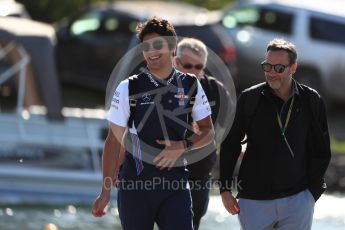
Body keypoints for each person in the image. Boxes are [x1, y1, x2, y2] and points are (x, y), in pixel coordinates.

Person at [92, 17, 214, 230]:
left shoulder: (191, 85)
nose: (152, 51)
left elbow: (208, 132)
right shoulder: (128, 87)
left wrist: (183, 146)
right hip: (136, 187)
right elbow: (113, 141)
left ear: (172, 46)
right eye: (146, 47)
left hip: (175, 186)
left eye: (158, 45)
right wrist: (105, 191)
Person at [219, 38, 331, 229]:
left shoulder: (311, 100)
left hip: (298, 199)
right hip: (253, 201)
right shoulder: (249, 98)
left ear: (293, 68)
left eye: (278, 68)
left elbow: (321, 150)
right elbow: (230, 143)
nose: (271, 73)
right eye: (267, 66)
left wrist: (311, 194)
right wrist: (225, 189)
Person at [174, 37, 230, 229]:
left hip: (199, 174)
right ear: (176, 61)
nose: (193, 71)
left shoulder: (216, 91)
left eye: (198, 67)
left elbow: (229, 129)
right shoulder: (161, 86)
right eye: (188, 65)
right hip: (163, 173)